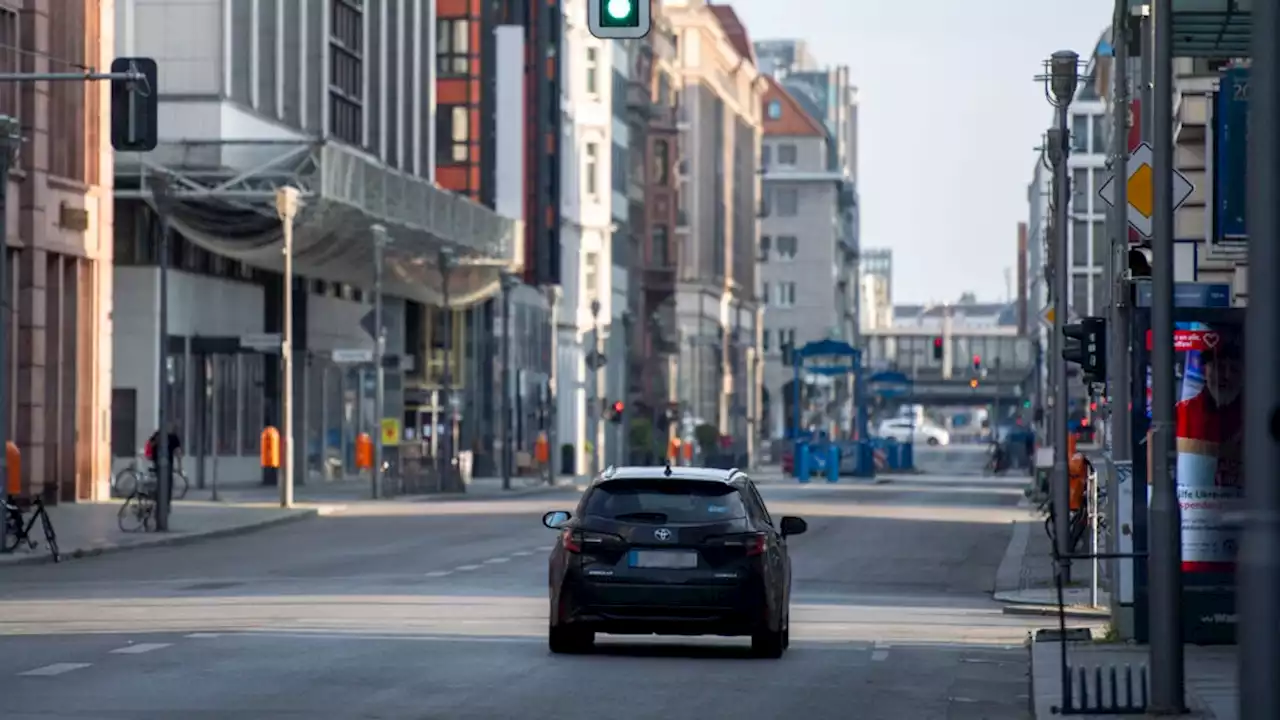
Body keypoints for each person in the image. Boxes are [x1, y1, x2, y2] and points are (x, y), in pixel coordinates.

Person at [145, 424, 184, 494]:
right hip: (166, 462)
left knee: (161, 479)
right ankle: (165, 498)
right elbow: (178, 452)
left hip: (159, 461)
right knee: (167, 481)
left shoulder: (159, 434)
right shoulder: (170, 436)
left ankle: (160, 496)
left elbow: (150, 444)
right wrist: (179, 466)